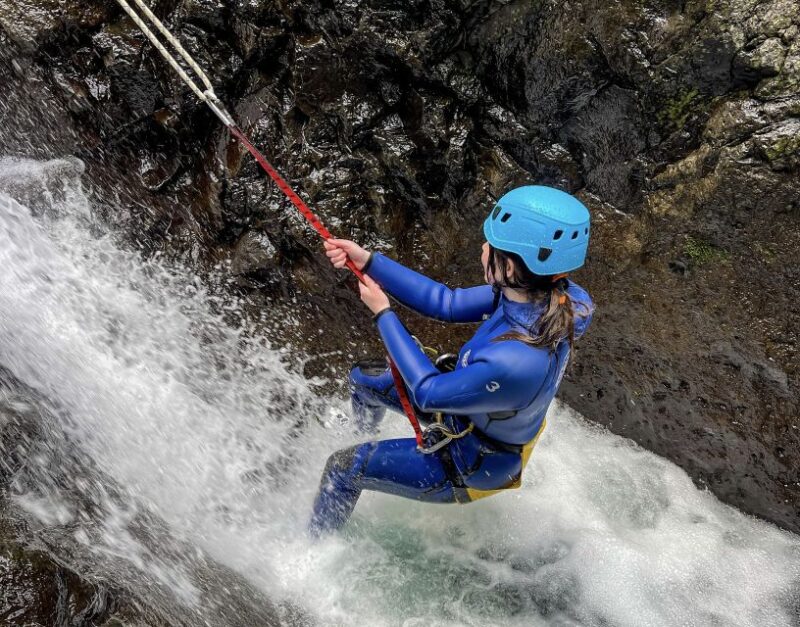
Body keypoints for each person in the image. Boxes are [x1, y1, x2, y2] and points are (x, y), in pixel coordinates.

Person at [309, 185, 594, 535]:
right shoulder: (549, 296)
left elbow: (428, 392)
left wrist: (383, 313)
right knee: (363, 378)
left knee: (342, 467)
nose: (483, 247)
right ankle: (360, 434)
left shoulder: (516, 361)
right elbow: (446, 302)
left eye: (492, 245)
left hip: (468, 464)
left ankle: (311, 551)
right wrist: (369, 261)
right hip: (469, 414)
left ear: (513, 266)